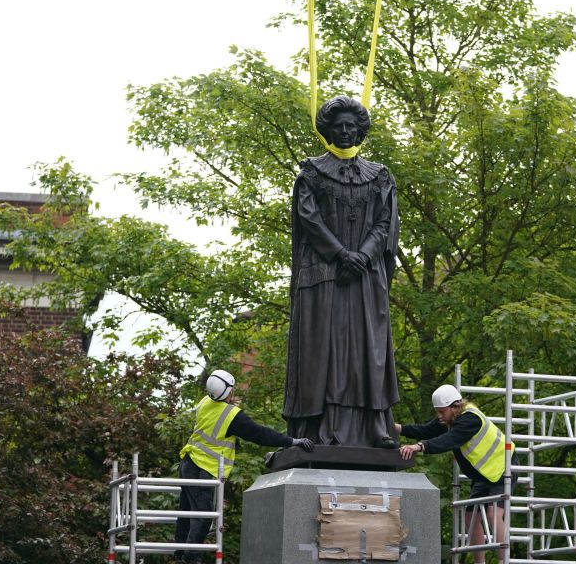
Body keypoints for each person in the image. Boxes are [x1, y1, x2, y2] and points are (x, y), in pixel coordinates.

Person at [282, 96, 400, 448]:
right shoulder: (312, 173)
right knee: (326, 352)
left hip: (365, 278)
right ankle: (321, 430)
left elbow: (385, 222)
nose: (346, 131)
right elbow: (309, 220)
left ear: (361, 130)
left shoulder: (379, 176)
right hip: (323, 276)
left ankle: (374, 428)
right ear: (328, 131)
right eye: (339, 126)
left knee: (369, 351)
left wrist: (362, 256)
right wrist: (340, 255)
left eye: (352, 126)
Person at [175, 369, 314, 563]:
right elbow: (259, 434)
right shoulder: (231, 415)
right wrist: (292, 441)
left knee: (187, 511)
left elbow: (215, 431)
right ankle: (190, 558)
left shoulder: (205, 402)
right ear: (228, 392)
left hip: (188, 462)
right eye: (232, 389)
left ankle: (180, 553)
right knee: (203, 516)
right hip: (205, 468)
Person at [397, 385, 515, 564]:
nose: (439, 416)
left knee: (492, 514)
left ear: (455, 407)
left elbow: (448, 441)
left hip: (504, 468)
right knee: (470, 517)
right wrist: (396, 428)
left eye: (442, 412)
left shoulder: (470, 420)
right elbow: (425, 430)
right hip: (486, 475)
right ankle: (479, 562)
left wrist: (419, 447)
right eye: (437, 412)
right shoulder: (451, 418)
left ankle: (503, 560)